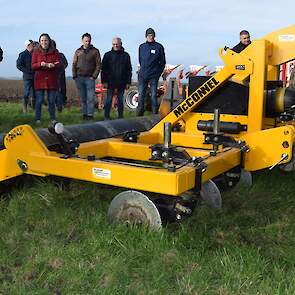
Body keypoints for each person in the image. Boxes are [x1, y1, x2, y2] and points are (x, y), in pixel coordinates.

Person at [32, 33, 61, 123]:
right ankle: (38, 119)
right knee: (39, 100)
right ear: (40, 42)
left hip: (52, 79)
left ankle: (53, 118)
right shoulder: (36, 52)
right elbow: (33, 66)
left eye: (45, 40)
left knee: (51, 101)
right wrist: (40, 64)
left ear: (49, 41)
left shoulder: (55, 51)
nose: (44, 42)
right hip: (39, 80)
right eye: (42, 40)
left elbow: (59, 63)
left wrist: (53, 65)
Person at [137, 28, 166, 116]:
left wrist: (158, 73)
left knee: (153, 95)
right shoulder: (142, 47)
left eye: (152, 35)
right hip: (143, 75)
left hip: (153, 76)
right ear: (146, 36)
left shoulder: (159, 47)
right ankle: (140, 112)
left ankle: (154, 113)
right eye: (149, 35)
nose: (150, 37)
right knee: (141, 94)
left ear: (154, 36)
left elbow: (162, 62)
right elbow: (140, 60)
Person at [101, 37, 132, 120]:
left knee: (120, 100)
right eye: (114, 44)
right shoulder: (107, 55)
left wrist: (128, 82)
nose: (115, 46)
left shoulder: (126, 55)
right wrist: (103, 81)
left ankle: (120, 117)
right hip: (110, 82)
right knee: (108, 100)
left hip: (122, 82)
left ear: (120, 44)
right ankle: (106, 117)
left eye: (117, 44)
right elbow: (103, 69)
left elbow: (129, 69)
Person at [72, 33, 101, 120]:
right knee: (83, 98)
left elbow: (98, 65)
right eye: (86, 41)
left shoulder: (95, 51)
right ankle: (84, 114)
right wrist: (74, 76)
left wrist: (94, 76)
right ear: (82, 41)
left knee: (90, 98)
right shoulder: (78, 51)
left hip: (90, 78)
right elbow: (74, 64)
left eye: (89, 41)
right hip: (79, 77)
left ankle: (90, 115)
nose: (87, 43)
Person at [16, 39, 35, 112]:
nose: (33, 45)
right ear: (28, 45)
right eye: (32, 44)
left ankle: (33, 108)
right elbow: (18, 65)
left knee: (34, 93)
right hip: (27, 77)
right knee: (26, 92)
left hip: (35, 77)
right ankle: (25, 108)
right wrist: (27, 71)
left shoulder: (35, 54)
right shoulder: (22, 54)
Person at [52, 40, 68, 111]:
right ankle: (59, 107)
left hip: (61, 75)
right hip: (53, 77)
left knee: (63, 91)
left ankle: (62, 104)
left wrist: (60, 68)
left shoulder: (61, 55)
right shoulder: (49, 56)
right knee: (56, 92)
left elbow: (65, 64)